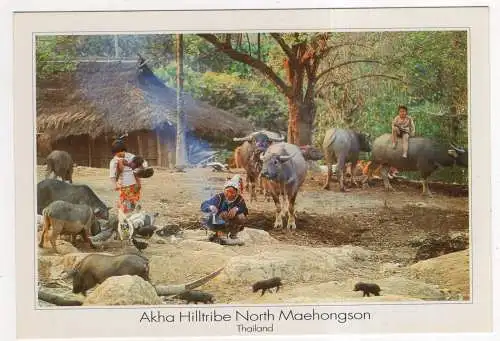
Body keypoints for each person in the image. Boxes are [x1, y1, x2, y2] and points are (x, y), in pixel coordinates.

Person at [109, 138, 142, 240]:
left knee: (132, 208)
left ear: (124, 150)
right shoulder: (114, 161)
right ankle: (124, 231)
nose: (119, 155)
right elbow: (112, 176)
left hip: (133, 186)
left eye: (121, 152)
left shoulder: (132, 157)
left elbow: (139, 170)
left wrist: (138, 183)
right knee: (123, 210)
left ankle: (131, 229)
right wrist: (115, 185)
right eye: (117, 154)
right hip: (123, 188)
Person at [200, 175, 248, 241]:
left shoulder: (239, 199)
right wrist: (211, 207)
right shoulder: (219, 197)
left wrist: (236, 209)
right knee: (223, 214)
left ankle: (233, 234)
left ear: (236, 192)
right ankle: (220, 233)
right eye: (227, 191)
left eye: (232, 192)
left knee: (241, 217)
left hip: (231, 223)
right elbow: (204, 204)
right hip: (217, 222)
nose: (229, 194)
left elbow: (244, 209)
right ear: (224, 190)